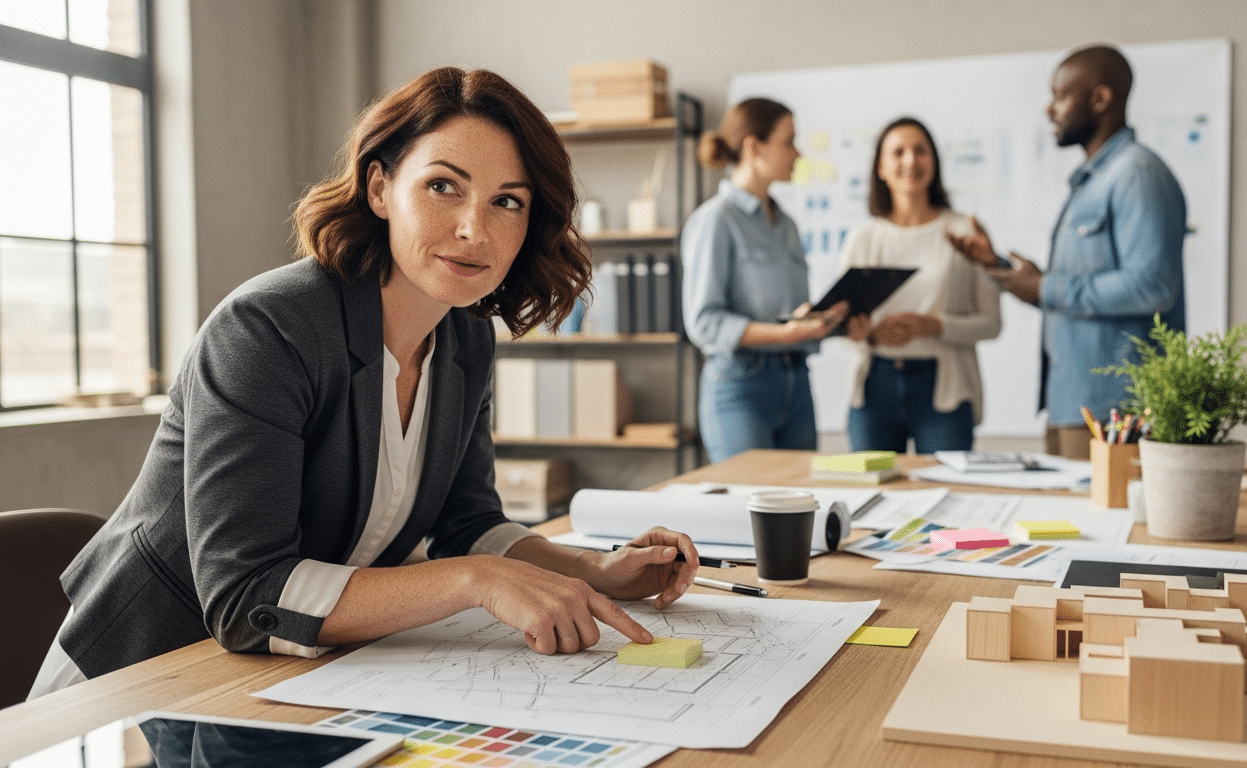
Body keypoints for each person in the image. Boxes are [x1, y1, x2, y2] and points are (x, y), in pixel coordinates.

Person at [30, 67, 701, 698]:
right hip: (137, 678)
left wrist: (588, 569)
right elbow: (245, 595)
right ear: (380, 189)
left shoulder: (465, 339)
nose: (475, 228)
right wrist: (476, 581)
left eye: (507, 202)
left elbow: (468, 524)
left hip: (280, 679)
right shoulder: (267, 329)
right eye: (444, 186)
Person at [947, 44, 1186, 459]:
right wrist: (999, 266)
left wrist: (1046, 287)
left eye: (1060, 95)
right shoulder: (1094, 181)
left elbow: (1152, 286)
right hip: (1071, 404)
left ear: (1100, 99)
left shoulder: (1137, 175)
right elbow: (1073, 287)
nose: (1049, 109)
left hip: (1117, 412)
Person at [681, 97, 848, 463]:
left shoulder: (786, 224)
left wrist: (823, 321)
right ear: (753, 147)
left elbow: (790, 314)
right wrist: (784, 333)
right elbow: (704, 323)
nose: (797, 153)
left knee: (801, 508)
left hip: (797, 382)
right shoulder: (716, 221)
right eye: (788, 141)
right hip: (742, 387)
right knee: (747, 508)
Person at [838, 117, 1001, 454]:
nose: (910, 161)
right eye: (898, 152)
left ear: (935, 162)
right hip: (874, 388)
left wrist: (933, 325)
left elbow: (991, 323)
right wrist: (869, 334)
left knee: (949, 494)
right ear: (881, 167)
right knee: (872, 497)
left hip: (945, 389)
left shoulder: (965, 231)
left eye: (920, 151)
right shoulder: (863, 238)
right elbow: (841, 323)